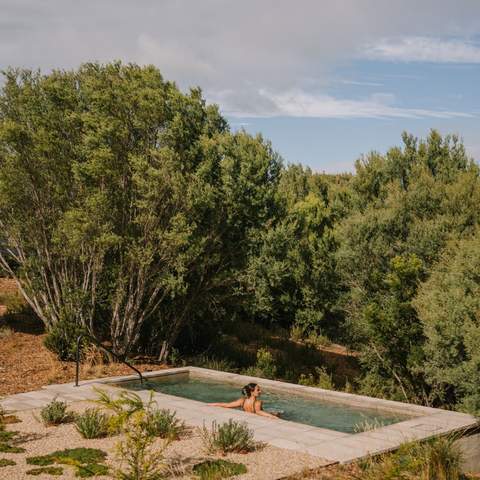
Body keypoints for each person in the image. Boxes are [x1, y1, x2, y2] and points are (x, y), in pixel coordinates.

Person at [208, 383, 279, 419]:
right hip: (257, 418)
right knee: (277, 413)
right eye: (258, 390)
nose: (260, 391)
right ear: (252, 392)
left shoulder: (242, 401)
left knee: (274, 413)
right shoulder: (258, 403)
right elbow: (259, 412)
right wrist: (274, 417)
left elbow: (227, 405)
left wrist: (212, 404)